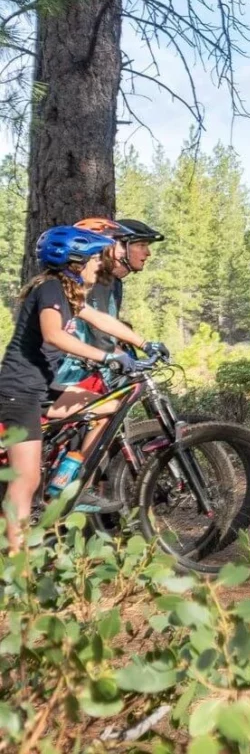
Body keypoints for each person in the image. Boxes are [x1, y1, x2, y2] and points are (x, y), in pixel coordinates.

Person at [0, 227, 159, 551]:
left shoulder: (67, 290)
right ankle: (17, 563)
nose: (98, 265)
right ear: (76, 261)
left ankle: (64, 478)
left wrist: (144, 343)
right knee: (25, 478)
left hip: (43, 387)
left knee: (108, 406)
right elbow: (53, 336)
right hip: (20, 391)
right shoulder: (50, 289)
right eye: (94, 259)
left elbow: (101, 320)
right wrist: (107, 357)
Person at [54, 217, 166, 392]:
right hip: (67, 373)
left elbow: (104, 325)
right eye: (142, 245)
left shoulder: (112, 283)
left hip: (83, 367)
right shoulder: (95, 283)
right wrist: (129, 357)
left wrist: (141, 344)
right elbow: (99, 335)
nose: (148, 253)